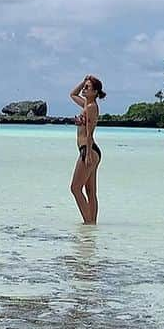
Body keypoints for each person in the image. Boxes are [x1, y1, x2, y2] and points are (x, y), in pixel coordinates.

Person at [69, 74, 106, 224]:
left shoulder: (90, 107)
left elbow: (90, 131)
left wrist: (88, 152)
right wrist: (84, 81)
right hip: (91, 150)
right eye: (84, 87)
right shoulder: (86, 104)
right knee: (90, 191)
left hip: (88, 149)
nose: (84, 89)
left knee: (75, 188)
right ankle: (92, 226)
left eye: (88, 87)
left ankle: (88, 223)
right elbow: (72, 94)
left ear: (95, 91)